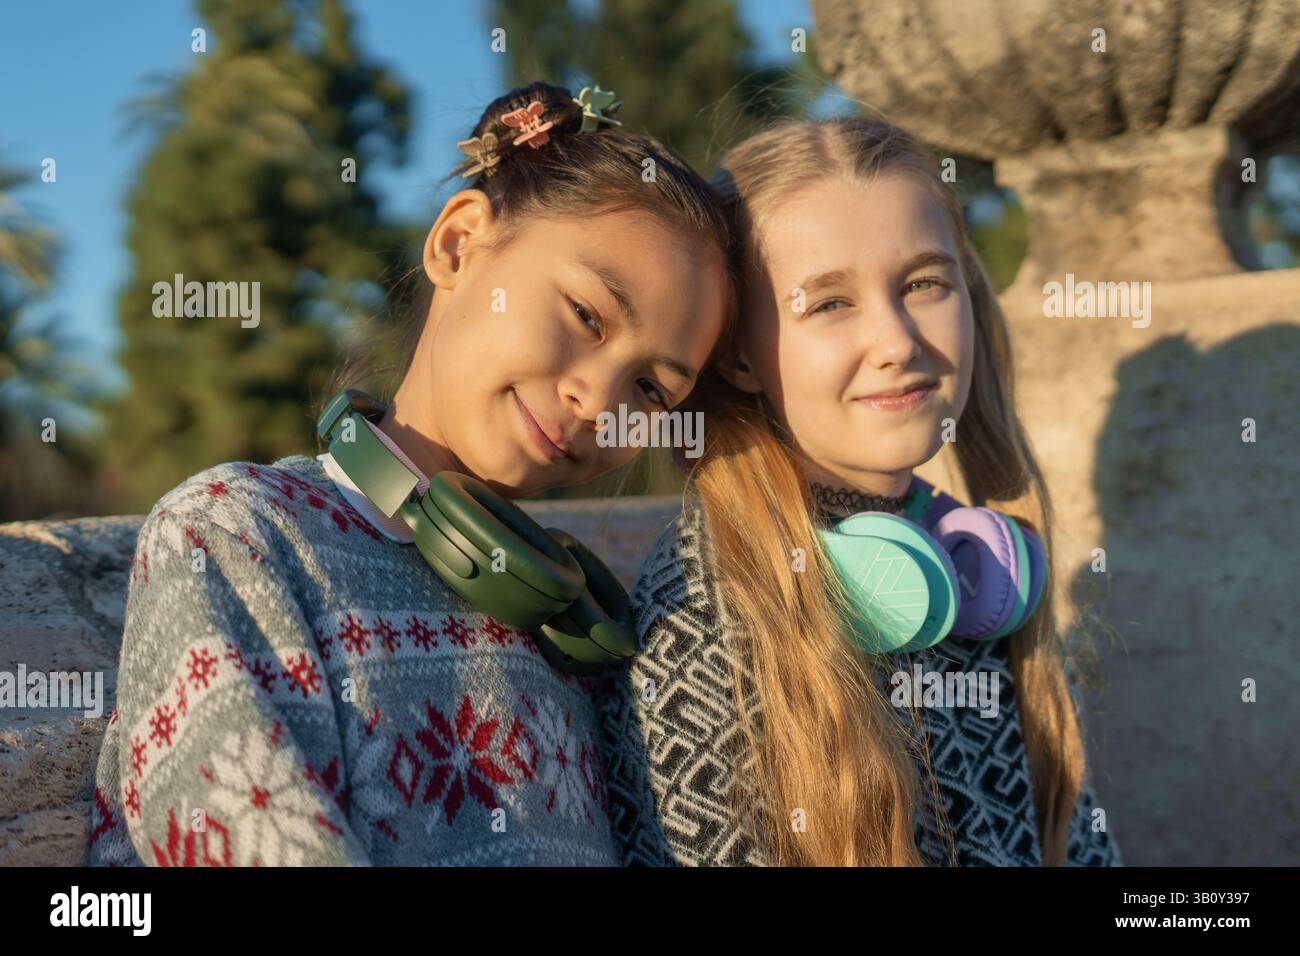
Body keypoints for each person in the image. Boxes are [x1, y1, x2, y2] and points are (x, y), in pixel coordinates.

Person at [87, 80, 735, 866]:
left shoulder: (570, 629)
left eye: (650, 389)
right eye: (586, 315)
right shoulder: (239, 536)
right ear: (458, 244)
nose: (597, 398)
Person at [597, 116, 1122, 867]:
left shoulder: (979, 576)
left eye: (923, 283)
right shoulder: (703, 620)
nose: (900, 341)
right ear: (741, 355)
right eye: (830, 303)